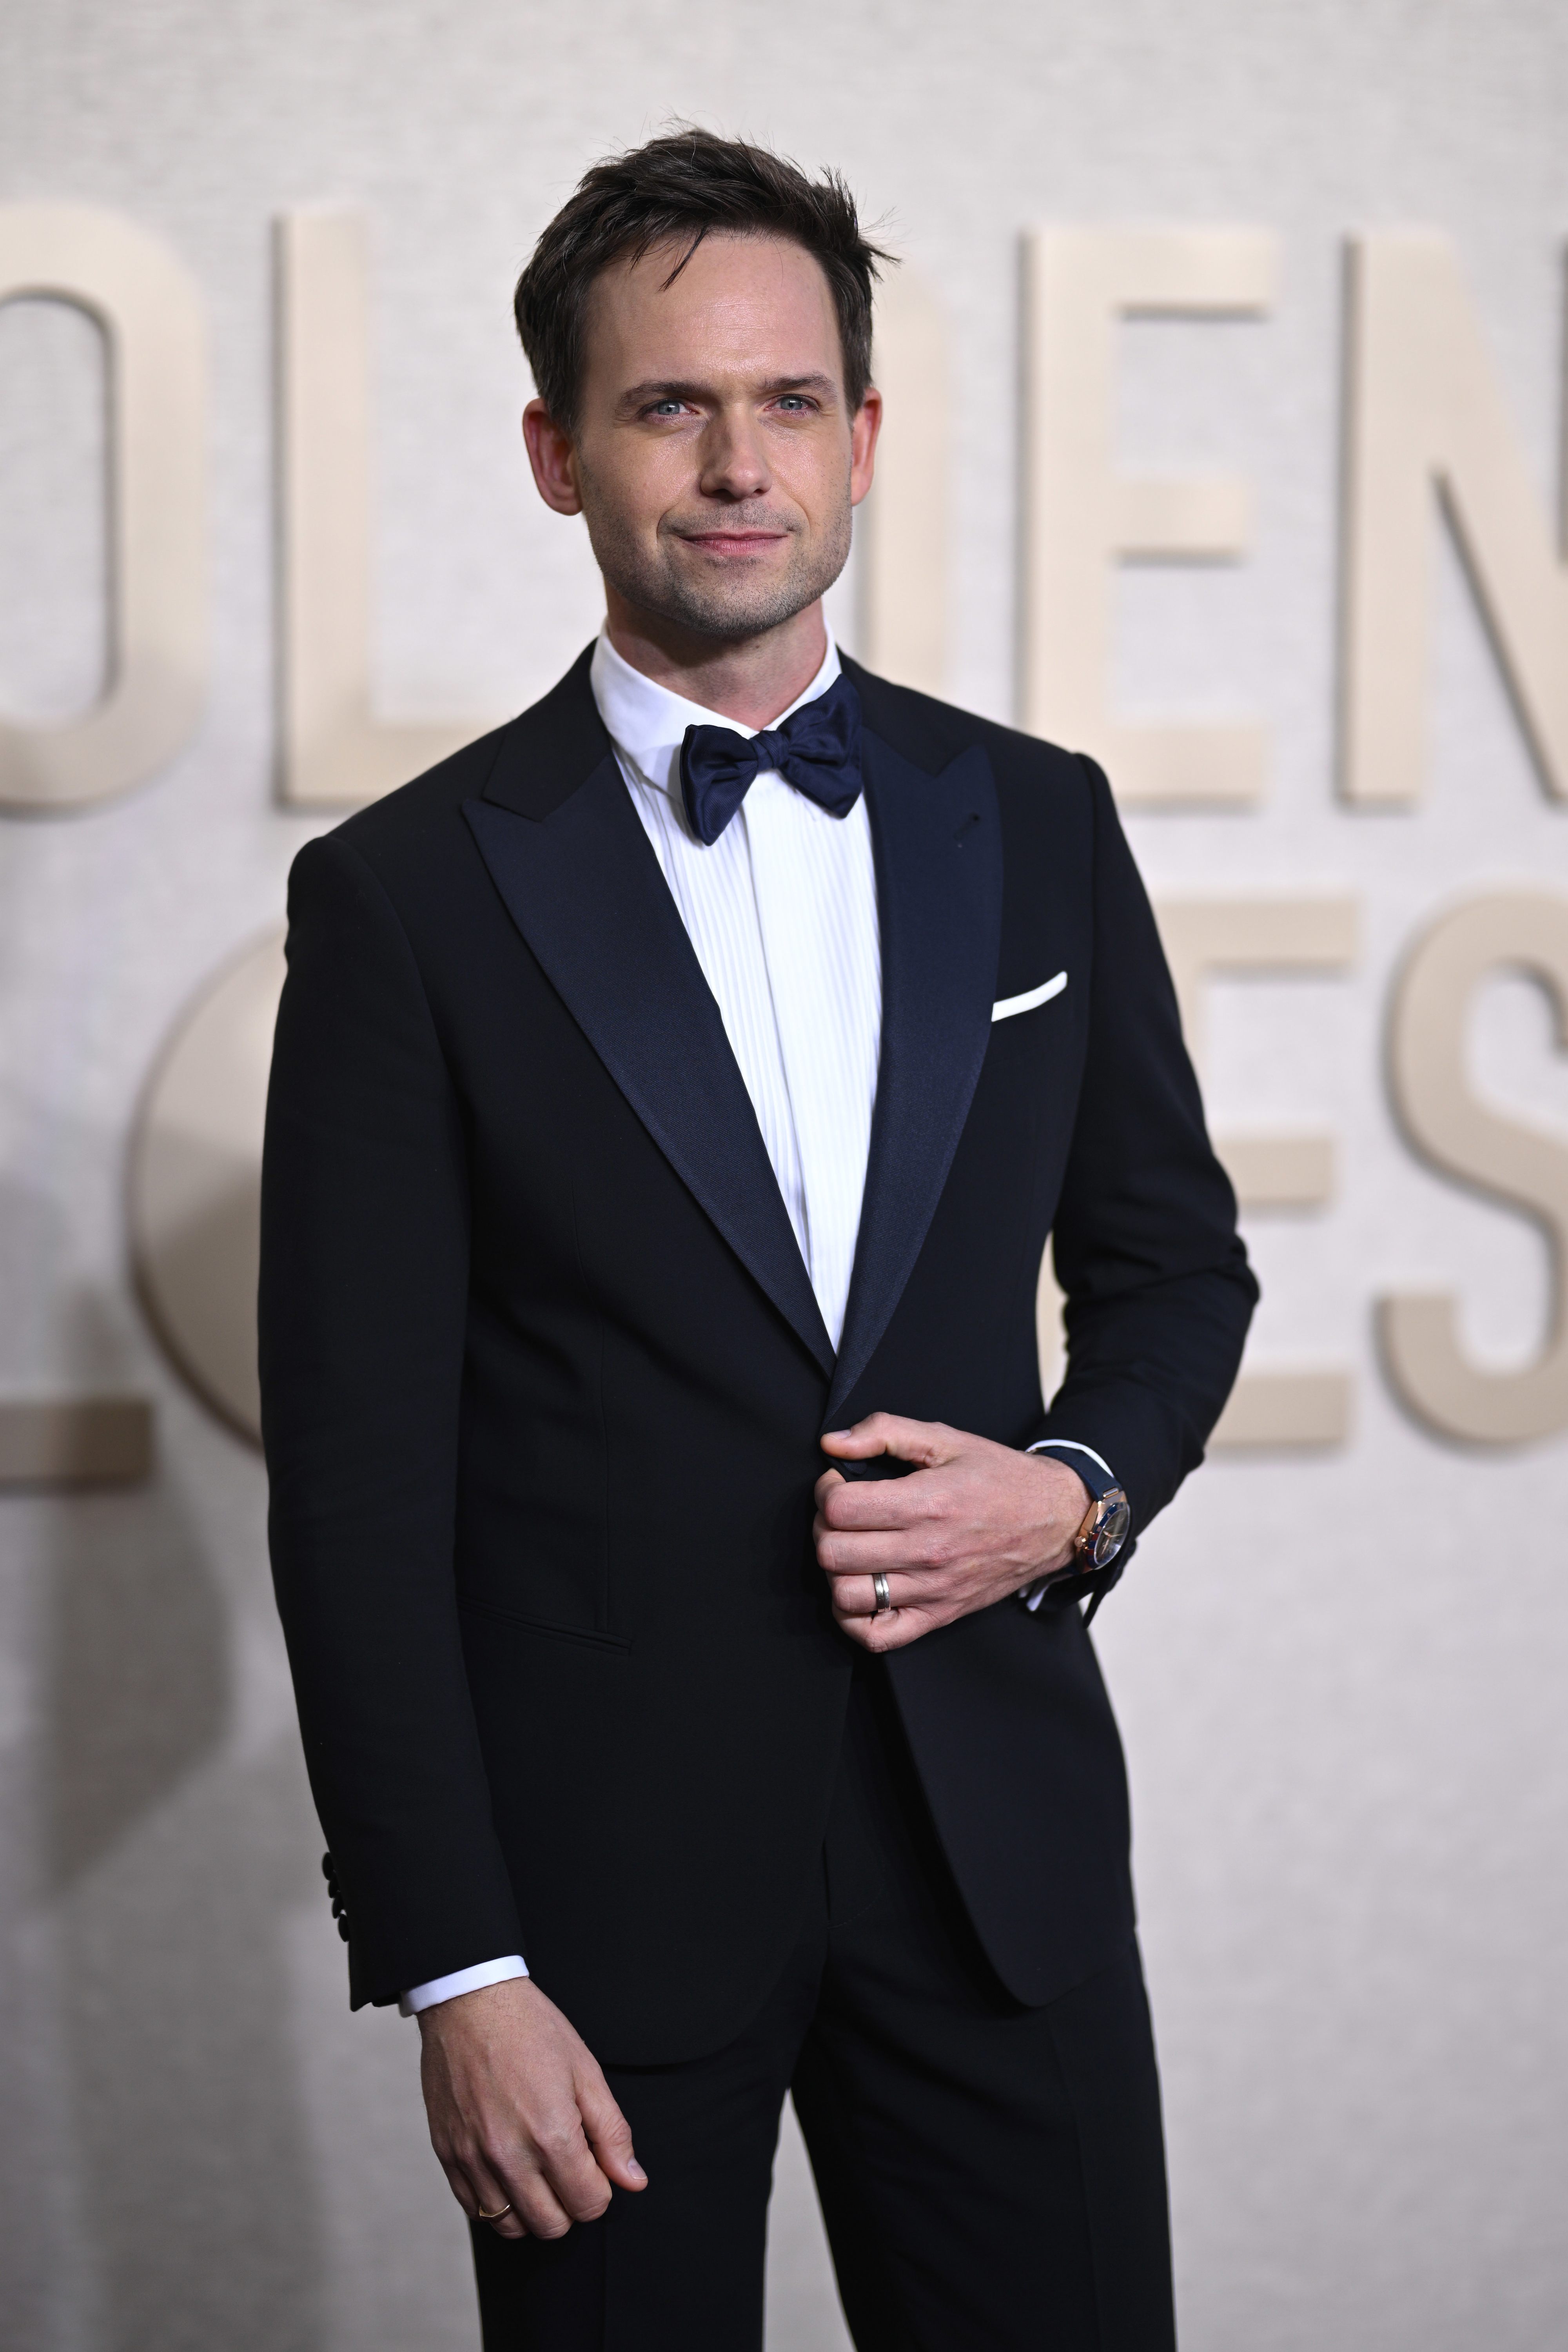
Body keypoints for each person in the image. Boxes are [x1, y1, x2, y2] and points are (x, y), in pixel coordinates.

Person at [260, 127, 1256, 2352]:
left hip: (998, 1866)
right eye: (667, 405)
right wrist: (458, 1964)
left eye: (790, 400)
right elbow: (351, 1484)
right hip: (589, 1936)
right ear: (557, 451)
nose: (738, 462)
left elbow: (1179, 1270)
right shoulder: (405, 899)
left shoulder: (1046, 820)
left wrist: (1072, 1491)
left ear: (865, 437)